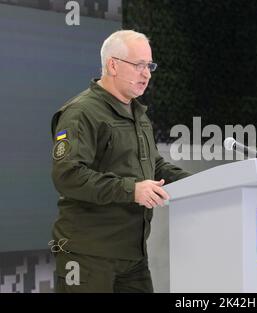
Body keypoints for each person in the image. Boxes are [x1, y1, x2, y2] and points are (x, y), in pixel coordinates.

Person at [50, 30, 191, 292]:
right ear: (113, 65)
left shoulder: (137, 113)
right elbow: (68, 176)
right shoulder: (81, 113)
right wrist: (132, 189)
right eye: (139, 65)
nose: (147, 73)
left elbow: (154, 166)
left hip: (133, 256)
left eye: (149, 66)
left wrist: (205, 183)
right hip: (88, 255)